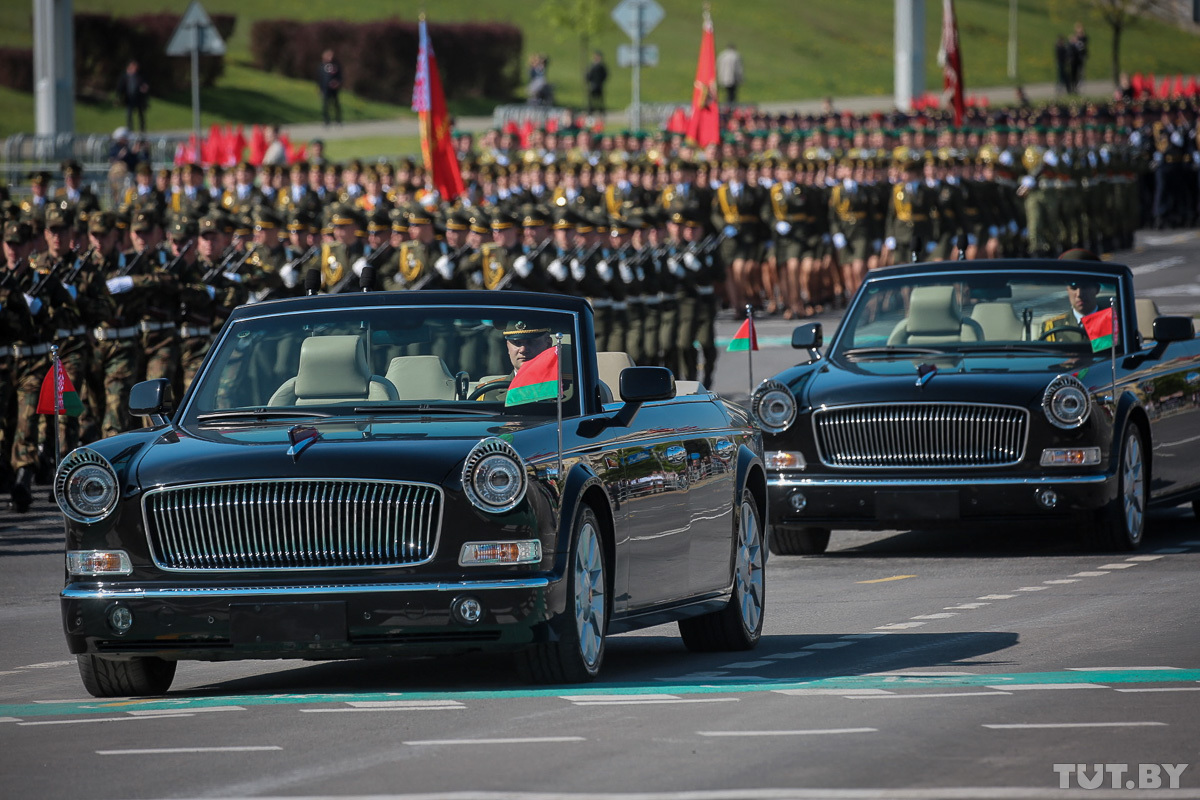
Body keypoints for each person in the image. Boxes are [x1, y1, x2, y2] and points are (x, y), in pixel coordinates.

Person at [116, 60, 149, 132]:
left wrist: (144, 88)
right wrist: (118, 97)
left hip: (138, 98)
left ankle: (142, 129)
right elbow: (120, 87)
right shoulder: (125, 76)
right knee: (129, 115)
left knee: (141, 115)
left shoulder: (139, 76)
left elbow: (144, 84)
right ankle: (130, 129)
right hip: (129, 99)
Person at [318, 50, 343, 126]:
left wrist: (337, 83)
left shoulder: (336, 65)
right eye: (329, 56)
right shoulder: (321, 66)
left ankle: (338, 120)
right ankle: (326, 121)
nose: (330, 57)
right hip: (325, 89)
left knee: (336, 104)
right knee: (325, 105)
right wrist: (320, 88)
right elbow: (320, 78)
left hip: (334, 89)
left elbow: (340, 76)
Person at [585, 51, 608, 116]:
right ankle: (590, 110)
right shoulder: (592, 66)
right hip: (593, 85)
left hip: (599, 85)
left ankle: (601, 111)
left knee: (600, 100)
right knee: (591, 99)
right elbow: (588, 75)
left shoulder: (601, 66)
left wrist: (601, 81)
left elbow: (605, 75)